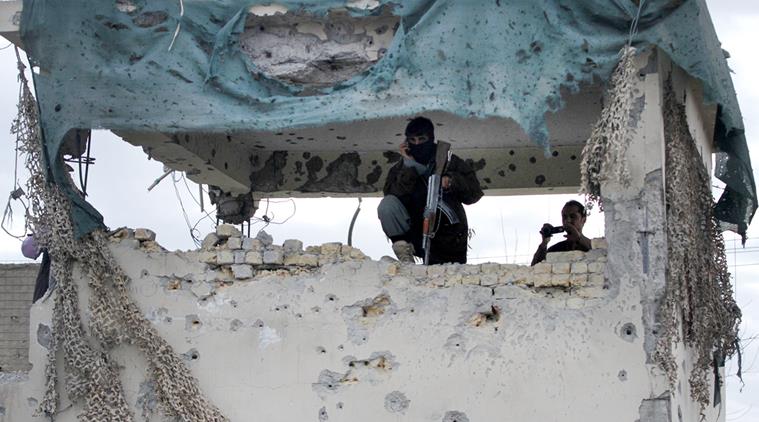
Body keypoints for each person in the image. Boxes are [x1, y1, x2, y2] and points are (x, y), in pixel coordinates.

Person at [377, 117, 483, 264]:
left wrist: (452, 180)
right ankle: (406, 259)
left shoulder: (450, 161)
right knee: (387, 205)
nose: (417, 144)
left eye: (422, 139)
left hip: (448, 236)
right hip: (415, 233)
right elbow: (391, 199)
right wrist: (409, 167)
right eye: (412, 140)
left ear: (430, 138)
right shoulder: (400, 168)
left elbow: (474, 194)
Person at [531, 200, 592, 266]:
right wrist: (544, 243)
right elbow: (535, 268)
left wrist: (579, 239)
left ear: (584, 220)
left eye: (573, 216)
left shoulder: (593, 246)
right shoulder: (555, 249)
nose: (567, 221)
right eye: (564, 217)